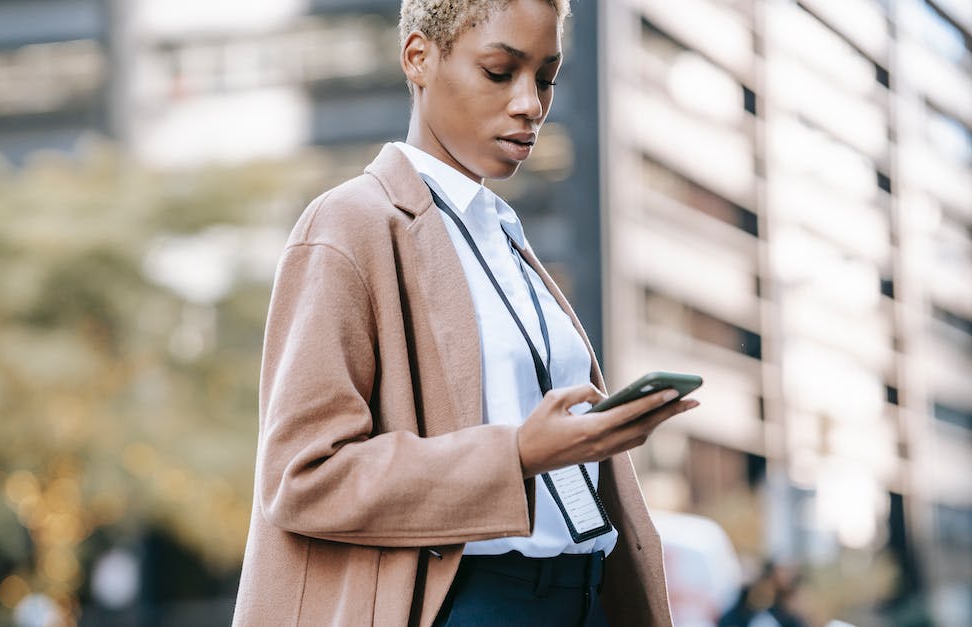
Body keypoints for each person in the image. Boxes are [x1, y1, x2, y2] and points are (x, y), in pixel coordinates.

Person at [234, 1, 698, 625]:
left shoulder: (501, 235)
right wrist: (517, 455)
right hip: (469, 601)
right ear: (418, 58)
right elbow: (304, 476)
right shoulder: (352, 223)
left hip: (587, 596)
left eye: (546, 77)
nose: (531, 103)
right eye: (500, 72)